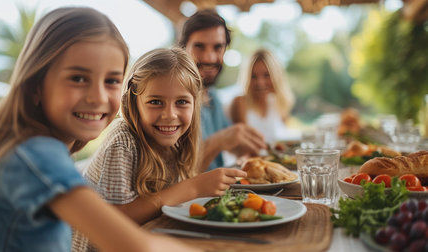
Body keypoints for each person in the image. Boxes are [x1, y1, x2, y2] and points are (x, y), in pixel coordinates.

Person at [0, 7, 199, 252]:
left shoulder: (37, 148)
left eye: (112, 81)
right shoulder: (35, 155)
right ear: (35, 85)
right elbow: (138, 247)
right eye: (79, 78)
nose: (98, 97)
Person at [72, 48, 246, 251]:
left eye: (181, 102)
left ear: (195, 104)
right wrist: (193, 188)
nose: (169, 115)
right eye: (155, 102)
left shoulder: (180, 141)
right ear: (134, 102)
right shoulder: (123, 142)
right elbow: (115, 220)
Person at [179, 9, 267, 171]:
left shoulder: (213, 97)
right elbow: (180, 175)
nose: (209, 58)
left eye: (218, 47)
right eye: (199, 47)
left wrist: (252, 150)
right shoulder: (174, 100)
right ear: (183, 48)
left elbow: (234, 144)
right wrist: (218, 141)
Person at [229, 49, 296, 143]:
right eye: (253, 76)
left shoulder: (280, 103)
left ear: (276, 76)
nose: (260, 83)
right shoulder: (240, 102)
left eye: (266, 75)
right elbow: (243, 145)